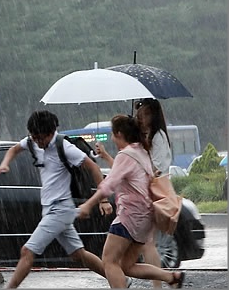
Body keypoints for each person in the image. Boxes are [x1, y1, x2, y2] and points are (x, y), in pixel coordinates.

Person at [0, 110, 112, 289]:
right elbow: (14, 149)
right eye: (34, 137)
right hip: (49, 208)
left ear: (51, 132)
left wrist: (103, 200)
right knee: (78, 254)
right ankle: (118, 279)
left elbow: (94, 167)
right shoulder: (32, 142)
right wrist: (5, 164)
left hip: (61, 209)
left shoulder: (64, 146)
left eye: (41, 138)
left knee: (27, 251)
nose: (38, 142)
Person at [77, 114, 185, 288]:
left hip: (130, 217)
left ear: (119, 133)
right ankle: (171, 276)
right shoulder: (141, 152)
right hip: (145, 219)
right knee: (126, 266)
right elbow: (122, 173)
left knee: (109, 261)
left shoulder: (126, 155)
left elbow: (109, 184)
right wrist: (105, 155)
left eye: (112, 134)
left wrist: (89, 204)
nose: (112, 138)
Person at [96, 98, 171, 288]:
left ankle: (160, 284)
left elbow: (155, 170)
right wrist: (105, 156)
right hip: (144, 199)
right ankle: (167, 279)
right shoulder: (141, 143)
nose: (141, 118)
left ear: (154, 115)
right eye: (139, 114)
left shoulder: (157, 137)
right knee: (140, 251)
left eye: (145, 114)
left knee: (146, 246)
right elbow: (124, 172)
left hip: (151, 197)